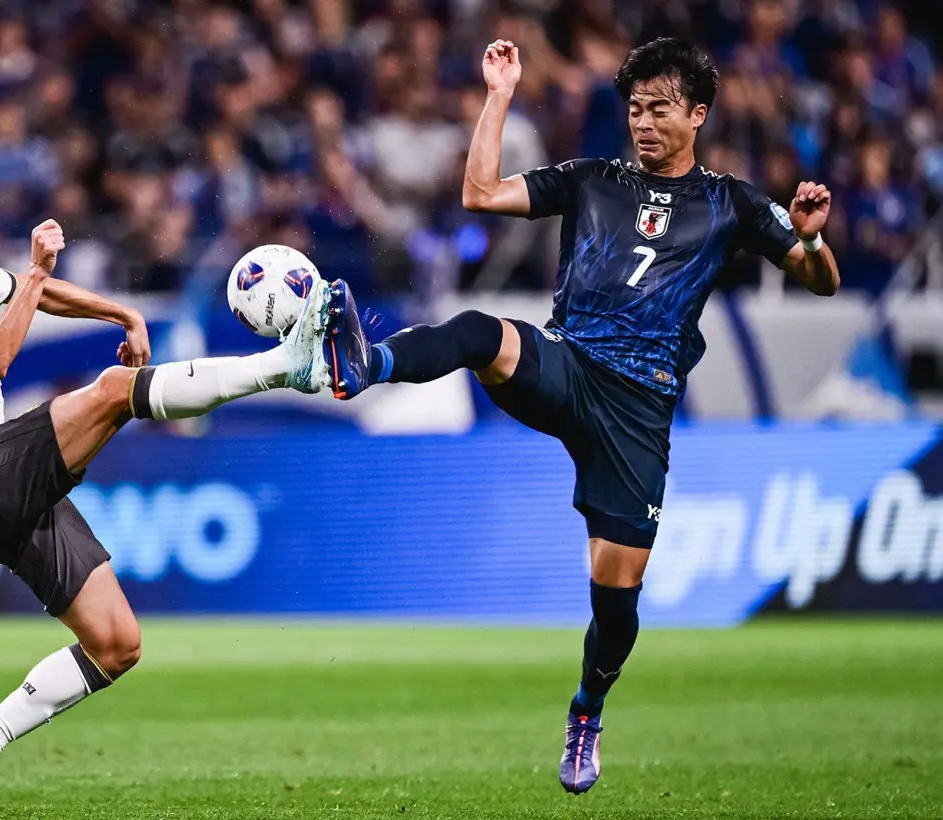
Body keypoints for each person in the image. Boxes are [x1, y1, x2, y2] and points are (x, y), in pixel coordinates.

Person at [322, 38, 839, 795]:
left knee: (616, 601)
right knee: (478, 332)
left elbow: (816, 280)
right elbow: (481, 194)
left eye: (661, 108)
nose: (644, 122)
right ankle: (369, 365)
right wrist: (498, 95)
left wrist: (812, 235)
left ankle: (587, 709)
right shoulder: (592, 179)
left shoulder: (731, 203)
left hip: (638, 407)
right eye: (635, 108)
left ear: (697, 114)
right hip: (568, 365)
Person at [0, 156, 330, 814]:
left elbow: (34, 295)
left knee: (116, 644)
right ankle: (286, 364)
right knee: (114, 392)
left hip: (9, 494)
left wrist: (120, 313)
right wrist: (37, 274)